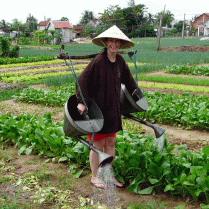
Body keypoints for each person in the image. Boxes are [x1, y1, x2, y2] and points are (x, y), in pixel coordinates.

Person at [76, 25, 138, 189]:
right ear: (106, 42)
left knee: (110, 142)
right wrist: (81, 101)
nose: (114, 44)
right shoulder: (98, 61)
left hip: (113, 109)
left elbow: (129, 81)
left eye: (117, 41)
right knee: (98, 144)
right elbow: (81, 80)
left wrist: (135, 93)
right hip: (98, 110)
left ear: (120, 44)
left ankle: (108, 176)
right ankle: (95, 177)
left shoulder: (120, 61)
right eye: (111, 40)